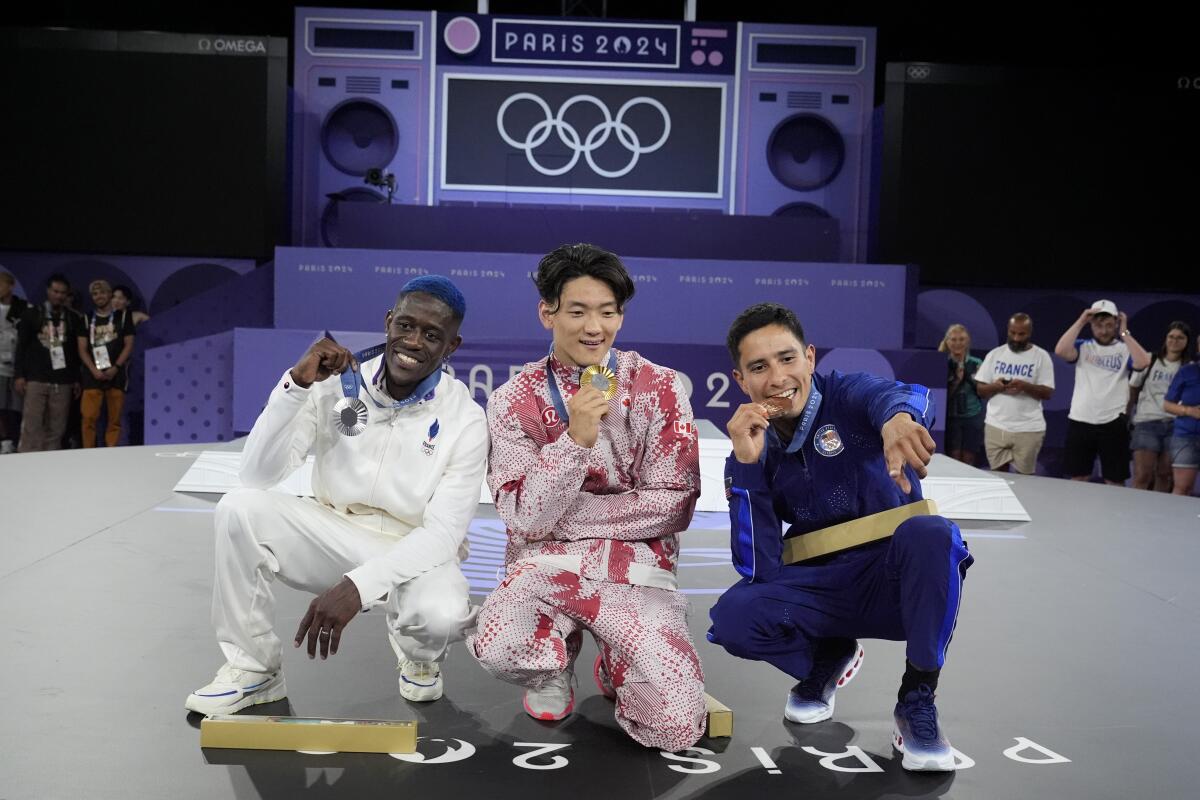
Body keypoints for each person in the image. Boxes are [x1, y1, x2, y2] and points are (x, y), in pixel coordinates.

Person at [185, 276, 487, 715]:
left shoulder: (466, 417)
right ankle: (255, 669)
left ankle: (419, 656)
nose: (413, 341)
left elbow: (442, 536)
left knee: (440, 612)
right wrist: (295, 386)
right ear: (388, 322)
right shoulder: (334, 382)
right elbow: (256, 474)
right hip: (332, 530)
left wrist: (358, 587)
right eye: (405, 325)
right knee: (238, 508)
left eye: (431, 335)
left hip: (414, 547)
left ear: (451, 346)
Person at [707, 302, 972, 773]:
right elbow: (757, 568)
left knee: (933, 535)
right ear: (740, 379)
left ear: (810, 357)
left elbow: (899, 397)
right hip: (824, 587)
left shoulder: (848, 394)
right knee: (732, 616)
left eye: (787, 358)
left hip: (893, 579)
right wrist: (746, 466)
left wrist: (898, 419)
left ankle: (917, 696)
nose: (777, 377)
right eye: (759, 367)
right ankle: (826, 655)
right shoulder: (754, 443)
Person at [468, 243, 706, 753]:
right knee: (499, 644)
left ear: (621, 314)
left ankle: (617, 658)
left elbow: (676, 503)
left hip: (634, 574)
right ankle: (552, 662)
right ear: (547, 312)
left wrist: (568, 520)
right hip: (546, 570)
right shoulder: (514, 402)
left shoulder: (659, 387)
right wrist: (574, 441)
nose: (593, 326)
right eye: (577, 311)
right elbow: (524, 517)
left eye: (607, 311)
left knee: (677, 729)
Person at [1054, 300, 1150, 484]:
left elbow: (1143, 361)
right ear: (1091, 325)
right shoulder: (1083, 346)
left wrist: (1124, 332)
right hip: (1081, 420)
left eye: (1108, 325)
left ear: (1116, 323)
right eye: (1098, 325)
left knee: (1114, 479)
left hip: (1113, 422)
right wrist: (1081, 320)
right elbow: (1061, 350)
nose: (1104, 331)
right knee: (1078, 477)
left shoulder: (1124, 349)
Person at [975, 313, 1056, 475]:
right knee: (998, 477)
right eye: (1012, 333)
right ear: (1008, 331)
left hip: (1029, 428)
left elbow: (1048, 393)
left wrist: (1024, 386)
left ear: (1029, 333)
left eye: (1021, 334)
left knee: (1025, 479)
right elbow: (981, 390)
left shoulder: (1041, 357)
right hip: (996, 425)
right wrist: (996, 386)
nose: (1016, 338)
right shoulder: (995, 354)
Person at [14, 274, 84, 452]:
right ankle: (27, 463)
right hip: (36, 378)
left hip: (63, 381)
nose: (59, 296)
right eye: (55, 291)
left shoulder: (73, 319)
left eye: (63, 292)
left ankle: (49, 465)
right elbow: (21, 347)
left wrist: (76, 379)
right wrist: (20, 375)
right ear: (48, 291)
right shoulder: (32, 314)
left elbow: (76, 353)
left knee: (57, 428)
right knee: (32, 425)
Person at [1128, 322, 1193, 492]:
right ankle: (1131, 514)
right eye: (1171, 336)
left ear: (1187, 342)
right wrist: (1127, 414)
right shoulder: (1149, 359)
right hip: (1146, 422)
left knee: (1164, 475)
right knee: (1142, 475)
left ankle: (1157, 517)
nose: (1175, 340)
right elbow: (1133, 387)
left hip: (1175, 425)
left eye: (1180, 337)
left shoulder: (1190, 367)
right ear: (1165, 339)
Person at [76, 279, 135, 448]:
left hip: (115, 375)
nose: (99, 296)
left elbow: (129, 344)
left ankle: (111, 452)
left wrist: (116, 367)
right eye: (95, 294)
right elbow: (82, 349)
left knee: (114, 419)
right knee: (88, 418)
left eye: (102, 292)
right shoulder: (86, 319)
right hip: (92, 375)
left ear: (110, 294)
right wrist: (93, 369)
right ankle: (89, 451)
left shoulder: (123, 317)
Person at [938, 323, 984, 465]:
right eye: (953, 339)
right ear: (947, 341)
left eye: (961, 339)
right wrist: (956, 381)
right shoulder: (941, 363)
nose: (957, 343)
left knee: (969, 457)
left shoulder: (977, 363)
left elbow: (982, 391)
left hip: (973, 415)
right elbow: (941, 396)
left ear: (968, 341)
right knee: (954, 456)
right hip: (951, 417)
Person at [1163, 333, 1200, 497]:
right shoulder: (1187, 372)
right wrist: (1189, 411)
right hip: (1186, 436)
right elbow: (1167, 405)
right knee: (1182, 488)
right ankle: (1172, 522)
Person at [0, 270, 29, 453]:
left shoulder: (24, 308)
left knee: (17, 407)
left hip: (19, 366)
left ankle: (15, 439)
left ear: (11, 286)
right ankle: (4, 440)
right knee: (0, 405)